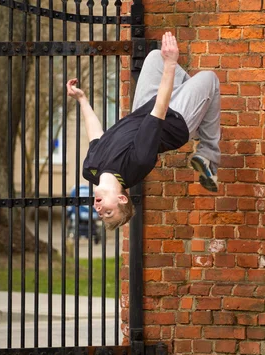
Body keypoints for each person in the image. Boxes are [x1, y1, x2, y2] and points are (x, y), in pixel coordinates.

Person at [66, 32, 221, 230]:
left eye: (101, 215)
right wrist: (171, 64)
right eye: (108, 212)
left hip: (142, 111)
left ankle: (201, 113)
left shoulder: (91, 170)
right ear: (122, 198)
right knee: (209, 79)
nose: (99, 210)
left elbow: (96, 136)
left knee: (156, 57)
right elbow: (160, 109)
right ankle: (208, 153)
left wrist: (82, 100)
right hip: (174, 120)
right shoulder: (137, 162)